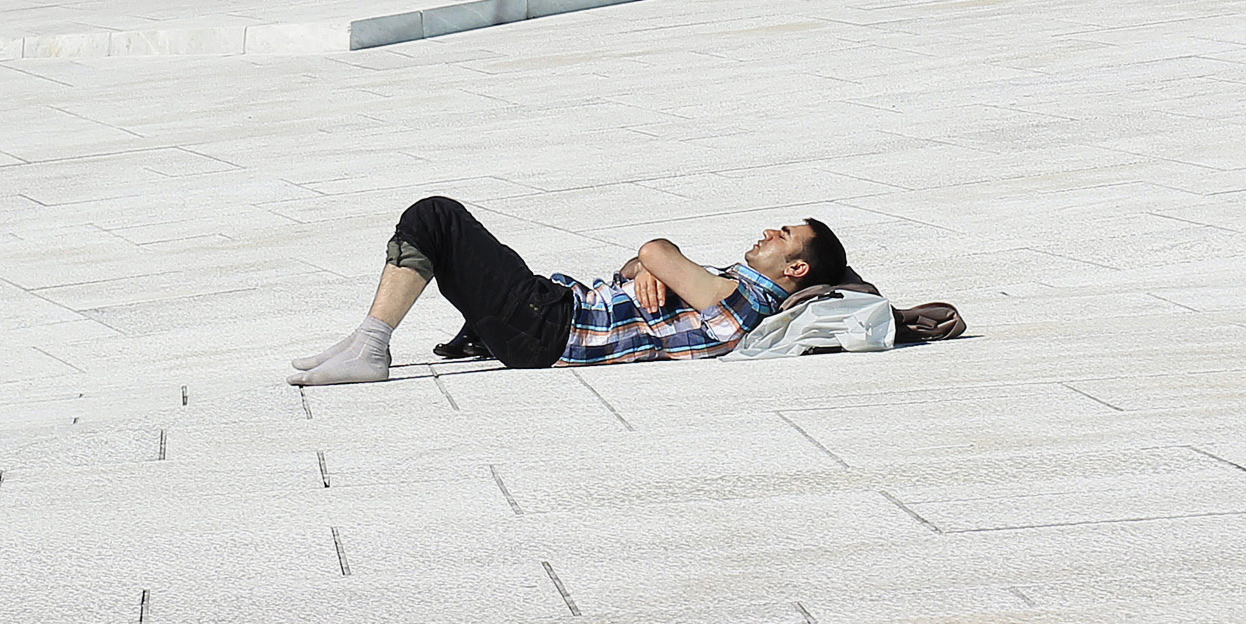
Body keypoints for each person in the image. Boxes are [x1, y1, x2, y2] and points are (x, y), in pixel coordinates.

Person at [286, 198, 852, 385]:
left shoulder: (749, 299)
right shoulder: (729, 281)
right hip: (550, 318)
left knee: (437, 217)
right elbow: (637, 265)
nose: (773, 232)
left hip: (551, 325)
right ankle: (364, 340)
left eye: (787, 237)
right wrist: (649, 268)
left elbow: (652, 251)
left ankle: (371, 348)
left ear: (797, 269)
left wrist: (656, 260)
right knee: (443, 233)